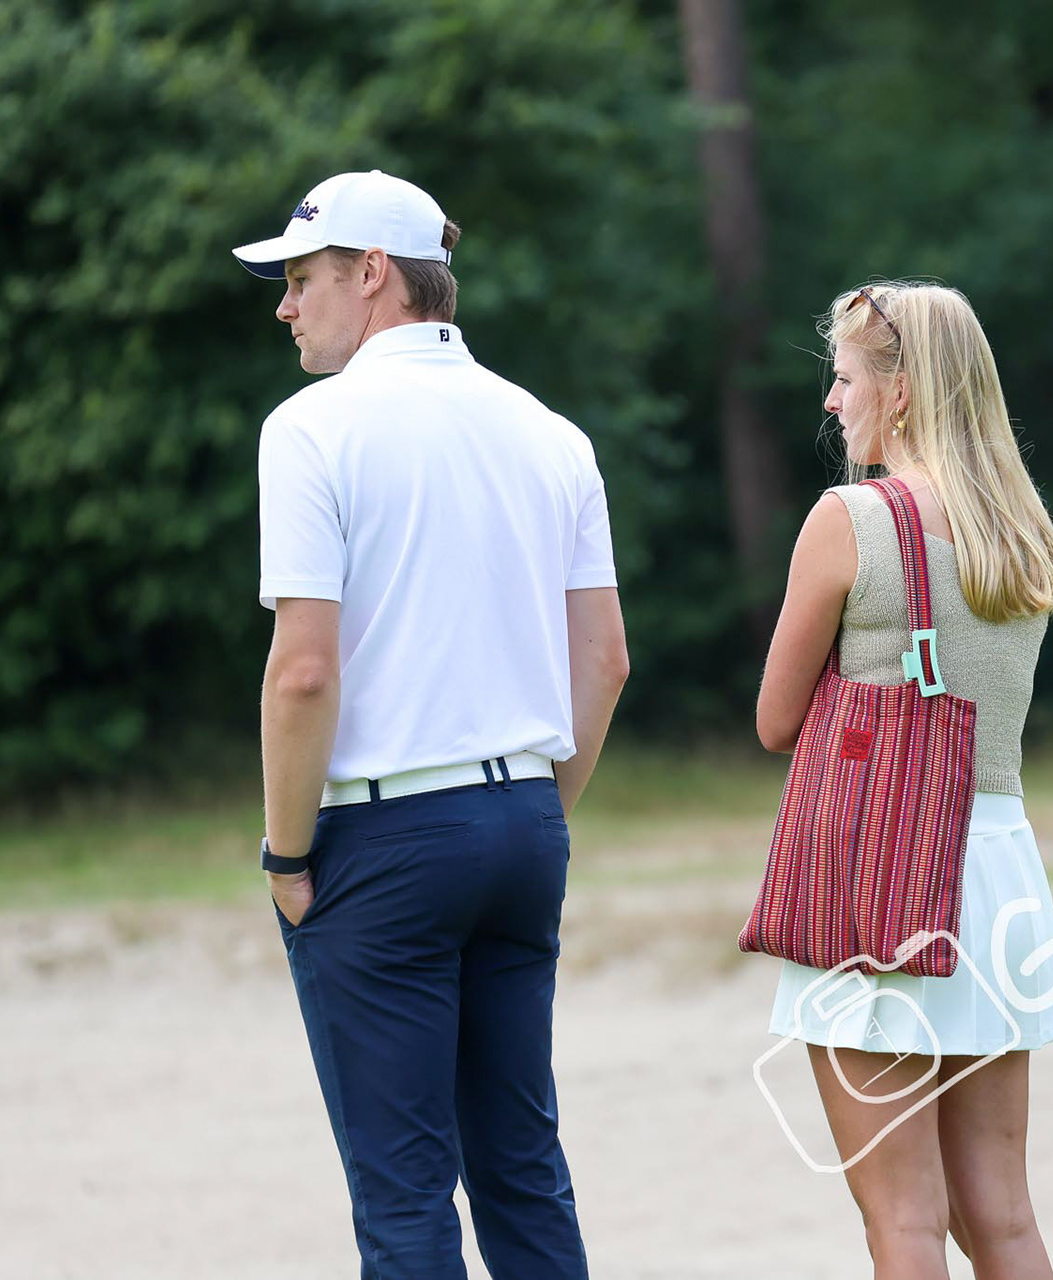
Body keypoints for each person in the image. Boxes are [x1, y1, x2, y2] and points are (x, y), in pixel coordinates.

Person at [235, 169, 629, 1278]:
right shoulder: (551, 432)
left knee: (403, 1193)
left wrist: (287, 855)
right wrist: (537, 809)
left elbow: (302, 674)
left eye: (302, 278)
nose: (286, 306)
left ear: (373, 273)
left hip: (383, 842)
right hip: (523, 826)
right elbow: (605, 659)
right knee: (522, 1167)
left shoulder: (310, 429)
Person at [754, 282, 1053, 1278]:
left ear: (899, 392)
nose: (832, 400)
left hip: (883, 877)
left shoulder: (852, 518)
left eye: (845, 378)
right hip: (1000, 871)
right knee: (1002, 1215)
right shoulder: (1019, 531)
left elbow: (775, 720)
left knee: (902, 1217)